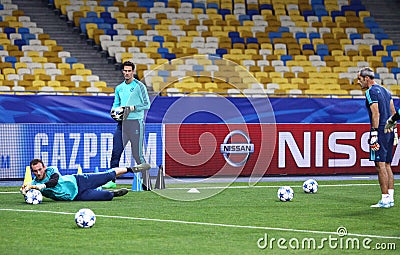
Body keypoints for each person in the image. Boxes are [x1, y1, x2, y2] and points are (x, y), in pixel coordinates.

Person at [103, 61, 151, 189]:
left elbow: (147, 104)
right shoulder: (119, 88)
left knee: (137, 154)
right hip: (122, 124)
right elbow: (116, 103)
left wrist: (132, 107)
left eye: (129, 71)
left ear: (133, 72)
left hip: (136, 124)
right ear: (122, 71)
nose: (127, 73)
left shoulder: (140, 86)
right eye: (125, 70)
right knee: (115, 152)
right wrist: (113, 111)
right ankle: (112, 181)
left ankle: (147, 181)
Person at [20, 158, 150, 201]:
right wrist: (25, 191)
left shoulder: (51, 170)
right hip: (76, 196)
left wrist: (40, 187)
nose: (38, 173)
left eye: (39, 169)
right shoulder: (34, 183)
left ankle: (133, 168)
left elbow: (54, 181)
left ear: (44, 167)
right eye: (35, 171)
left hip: (79, 181)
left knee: (107, 176)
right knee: (105, 196)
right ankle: (113, 194)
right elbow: (27, 187)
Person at [358, 67, 395, 208]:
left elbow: (376, 113)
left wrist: (374, 133)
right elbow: (392, 112)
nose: (358, 82)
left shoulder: (370, 92)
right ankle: (390, 198)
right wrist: (395, 131)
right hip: (389, 131)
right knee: (387, 165)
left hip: (379, 131)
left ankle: (385, 199)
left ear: (367, 78)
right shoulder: (386, 91)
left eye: (360, 79)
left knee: (380, 165)